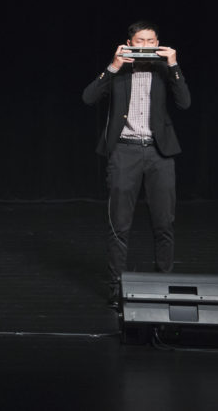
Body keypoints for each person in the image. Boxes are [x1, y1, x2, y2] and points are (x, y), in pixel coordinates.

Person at [82, 21, 191, 306]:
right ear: (129, 43)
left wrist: (174, 65)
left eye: (150, 41)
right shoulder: (119, 71)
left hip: (159, 154)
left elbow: (185, 102)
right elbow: (88, 97)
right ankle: (116, 290)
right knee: (119, 225)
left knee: (164, 223)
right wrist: (113, 66)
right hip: (124, 152)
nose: (145, 46)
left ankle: (164, 285)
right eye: (140, 41)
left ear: (158, 43)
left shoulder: (164, 70)